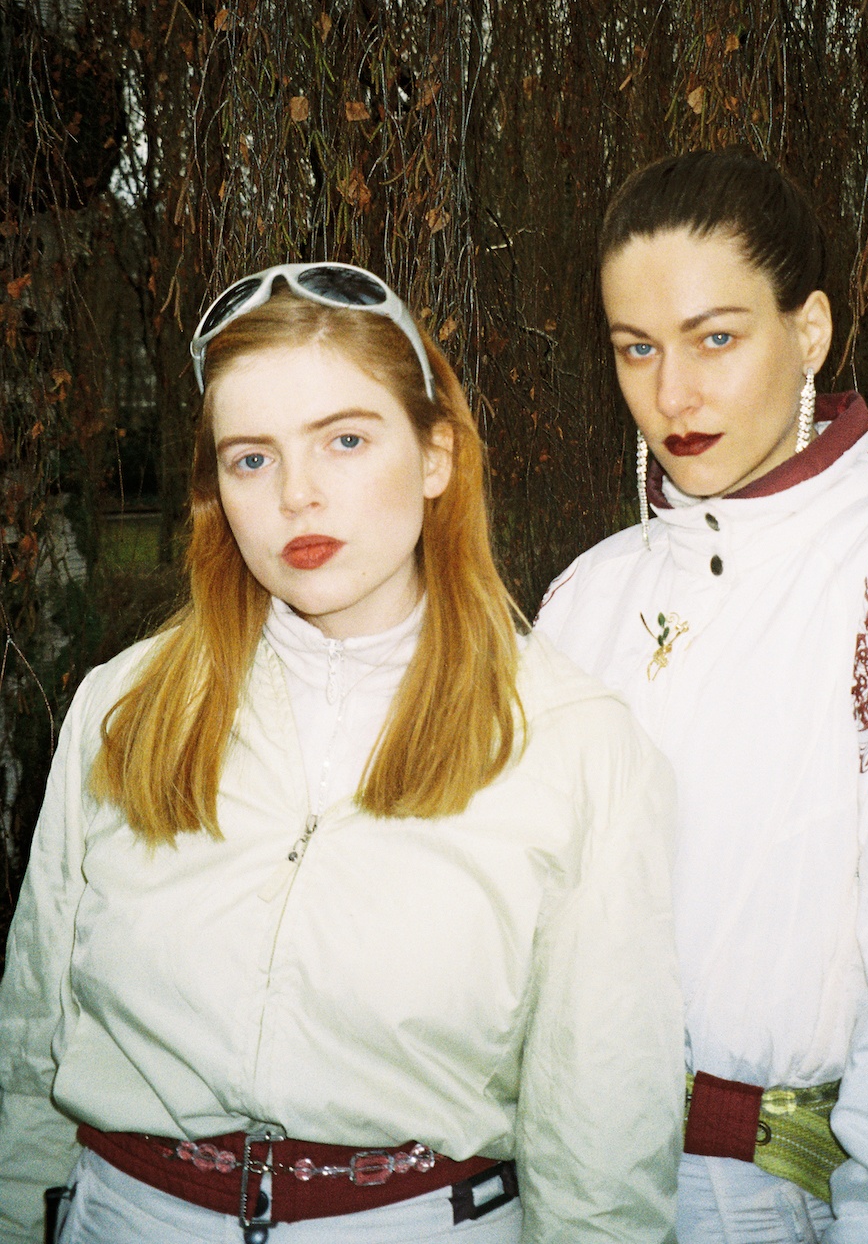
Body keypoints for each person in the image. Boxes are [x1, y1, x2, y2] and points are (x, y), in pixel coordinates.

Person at [0, 262, 684, 1244]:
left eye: (346, 441)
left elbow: (603, 1138)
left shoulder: (575, 741)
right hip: (125, 1216)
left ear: (436, 455)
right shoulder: (124, 707)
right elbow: (31, 1045)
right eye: (251, 459)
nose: (297, 495)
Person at [535, 150, 868, 1244]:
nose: (672, 395)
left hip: (794, 1208)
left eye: (716, 338)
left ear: (808, 332)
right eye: (637, 348)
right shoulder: (586, 600)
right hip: (574, 1194)